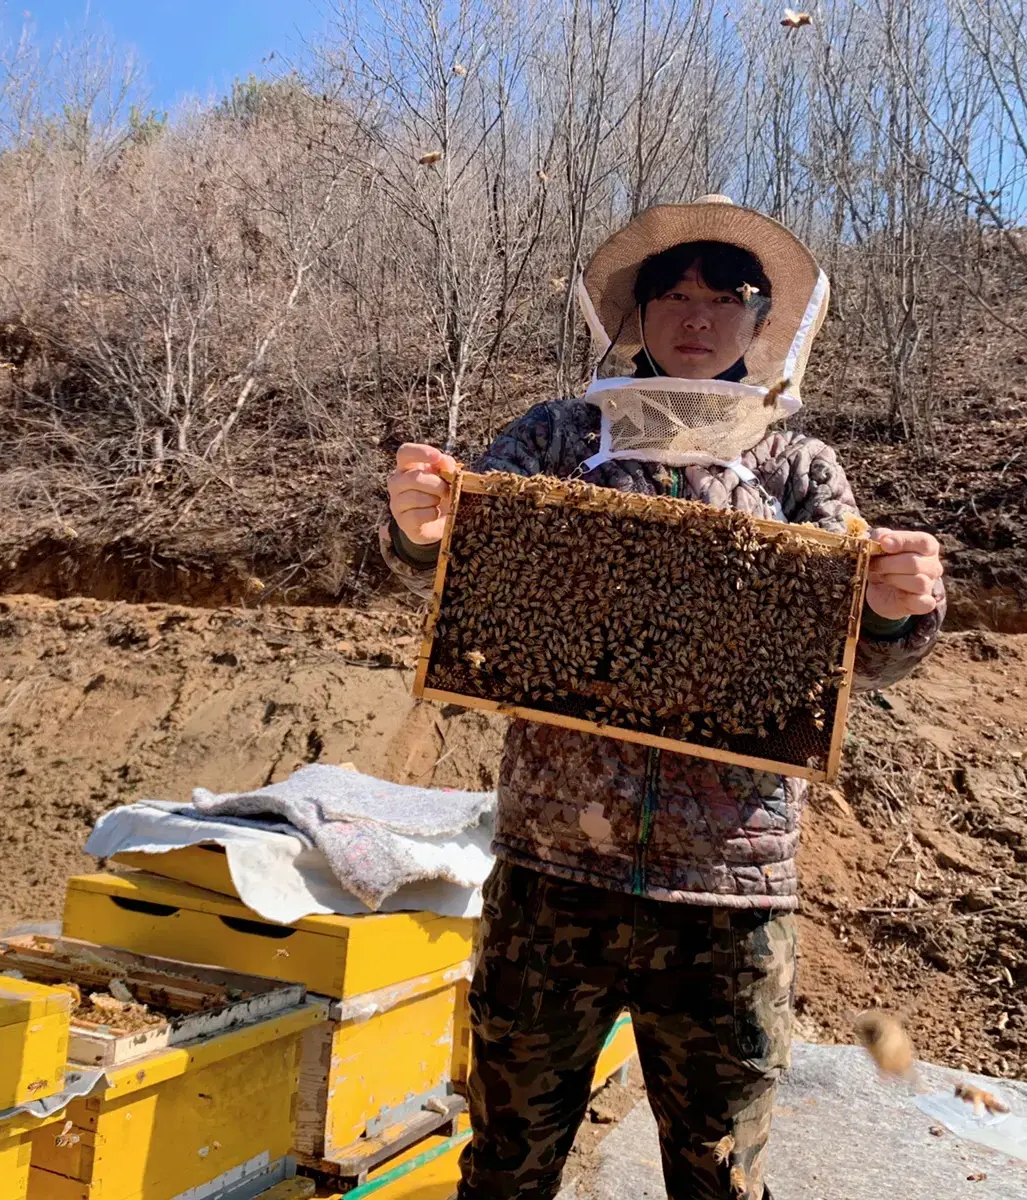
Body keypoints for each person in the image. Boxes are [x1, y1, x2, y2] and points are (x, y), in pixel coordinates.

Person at [381, 196, 944, 1200]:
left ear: (758, 320)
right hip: (553, 877)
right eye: (673, 294)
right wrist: (420, 525)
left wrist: (898, 609)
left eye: (722, 297)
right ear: (637, 314)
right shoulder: (559, 437)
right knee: (505, 1173)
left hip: (730, 898)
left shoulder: (799, 466)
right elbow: (450, 567)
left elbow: (867, 657)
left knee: (720, 1182)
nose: (695, 315)